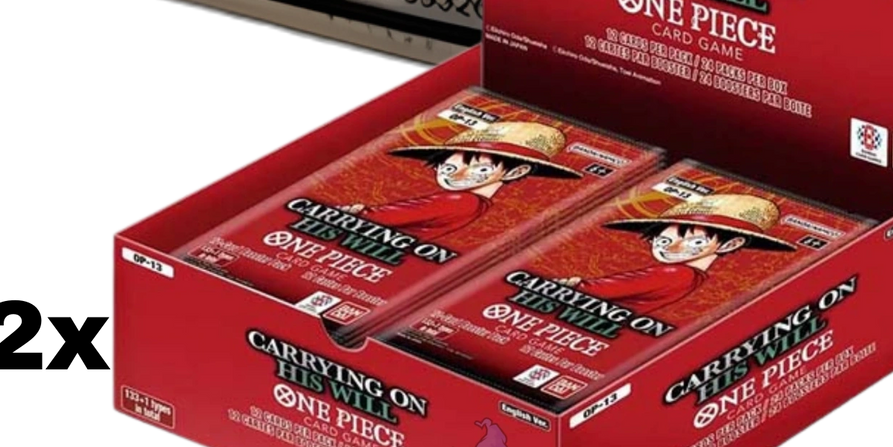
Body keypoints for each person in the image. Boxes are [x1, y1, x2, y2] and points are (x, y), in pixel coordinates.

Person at [340, 121, 580, 244]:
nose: (457, 176)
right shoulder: (473, 204)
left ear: (517, 171)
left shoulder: (461, 200)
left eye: (480, 168)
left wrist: (354, 212)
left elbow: (374, 218)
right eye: (449, 168)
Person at [557, 194, 794, 311]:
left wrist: (568, 285)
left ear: (730, 244)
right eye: (663, 240)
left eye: (695, 241)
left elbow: (590, 290)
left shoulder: (676, 274)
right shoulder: (690, 277)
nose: (671, 248)